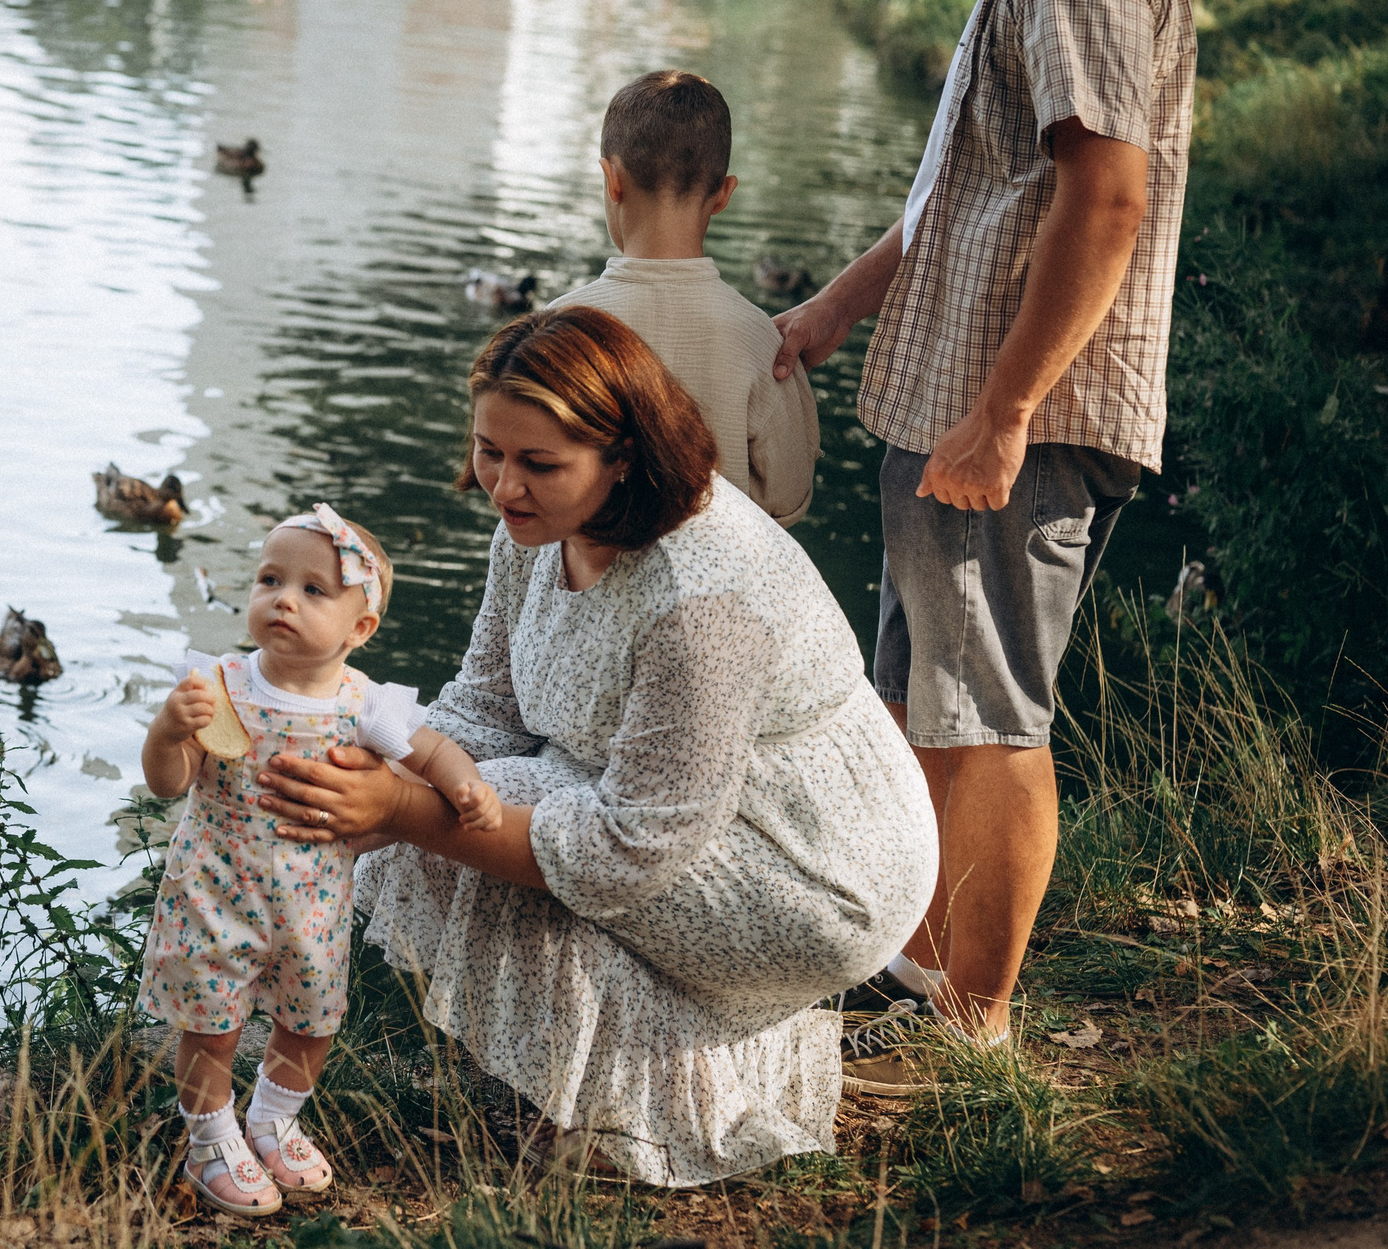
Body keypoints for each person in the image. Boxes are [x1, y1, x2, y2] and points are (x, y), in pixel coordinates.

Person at [767, 0, 1195, 1089]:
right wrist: (839, 305)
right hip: (958, 398)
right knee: (924, 705)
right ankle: (925, 971)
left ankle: (978, 1032)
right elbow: (981, 181)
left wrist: (1006, 411)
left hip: (1016, 413)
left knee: (990, 714)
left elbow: (1106, 197)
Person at [254, 310, 938, 1186]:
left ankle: (612, 1118)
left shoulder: (701, 598)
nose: (502, 486)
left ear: (623, 457)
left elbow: (629, 852)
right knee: (446, 801)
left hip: (819, 865)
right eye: (489, 450)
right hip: (664, 803)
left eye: (538, 462)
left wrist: (404, 810)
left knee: (461, 829)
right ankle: (563, 1087)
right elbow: (487, 705)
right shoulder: (535, 527)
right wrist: (373, 771)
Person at [137, 504, 502, 1217]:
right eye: (270, 578)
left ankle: (272, 1121)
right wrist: (166, 731)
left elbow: (431, 752)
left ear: (359, 626)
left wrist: (465, 784)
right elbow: (169, 781)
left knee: (311, 1020)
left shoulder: (363, 701)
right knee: (212, 1022)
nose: (283, 598)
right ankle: (209, 1135)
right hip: (215, 890)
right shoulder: (218, 685)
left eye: (313, 590)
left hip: (312, 898)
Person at [549, 69, 819, 526]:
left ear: (611, 180)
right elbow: (788, 497)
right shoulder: (761, 342)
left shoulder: (556, 329)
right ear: (723, 195)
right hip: (719, 592)